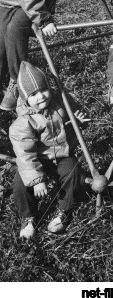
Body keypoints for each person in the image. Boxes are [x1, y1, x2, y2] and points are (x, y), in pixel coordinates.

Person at [9, 61, 89, 239]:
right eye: (33, 94)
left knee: (73, 171)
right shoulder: (23, 121)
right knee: (20, 184)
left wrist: (77, 122)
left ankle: (64, 210)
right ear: (24, 98)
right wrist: (37, 180)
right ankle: (28, 216)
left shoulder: (60, 101)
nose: (41, 97)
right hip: (37, 159)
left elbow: (72, 119)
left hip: (61, 154)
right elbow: (25, 154)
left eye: (43, 90)